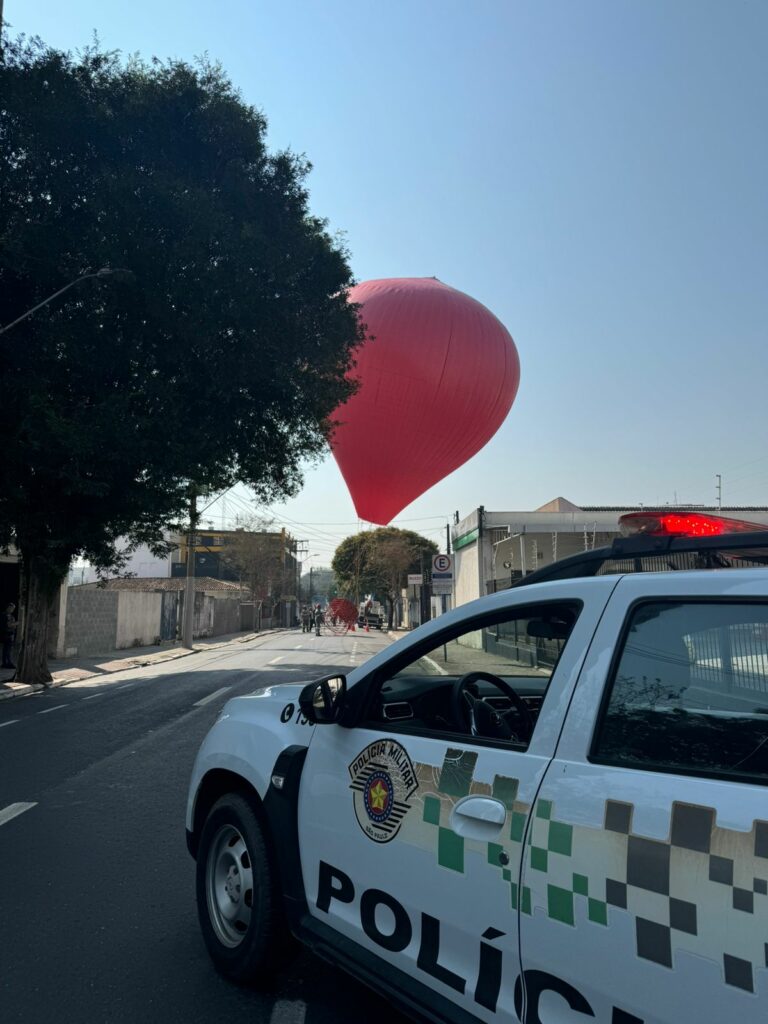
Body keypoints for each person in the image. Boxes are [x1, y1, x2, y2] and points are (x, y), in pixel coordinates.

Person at [2, 602, 17, 669]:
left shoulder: (9, 615)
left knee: (6, 649)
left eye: (13, 608)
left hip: (9, 633)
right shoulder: (6, 615)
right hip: (7, 634)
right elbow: (9, 625)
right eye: (11, 608)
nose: (12, 610)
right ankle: (8, 663)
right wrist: (16, 623)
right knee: (8, 649)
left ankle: (5, 663)